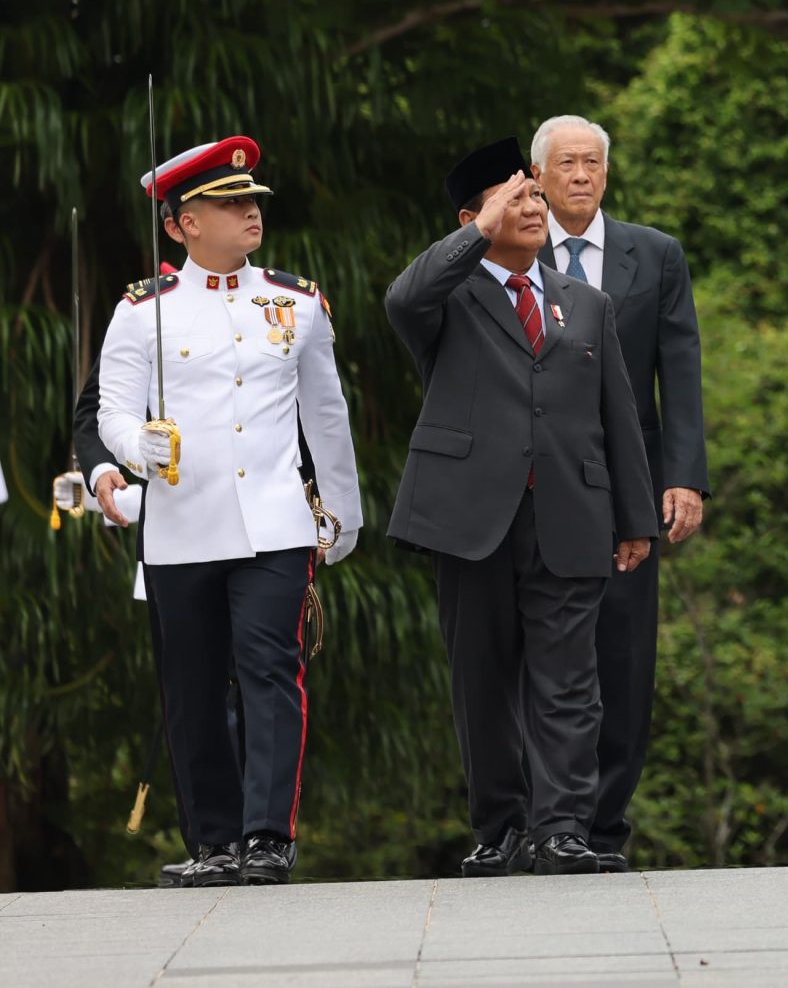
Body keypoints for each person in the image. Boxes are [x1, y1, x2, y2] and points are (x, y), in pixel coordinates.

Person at [384, 139, 657, 876]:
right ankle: (499, 826)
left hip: (570, 513)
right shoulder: (451, 297)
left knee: (570, 681)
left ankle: (563, 826)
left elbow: (618, 417)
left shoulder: (585, 304)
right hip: (471, 520)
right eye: (517, 200)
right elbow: (401, 299)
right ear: (475, 217)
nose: (535, 209)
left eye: (536, 198)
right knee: (482, 677)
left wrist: (635, 518)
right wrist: (478, 232)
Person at [95, 136, 362, 888]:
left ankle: (267, 837)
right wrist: (132, 445)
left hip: (276, 519)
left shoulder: (296, 300)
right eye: (229, 204)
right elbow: (113, 407)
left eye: (252, 201)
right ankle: (213, 841)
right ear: (182, 224)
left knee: (271, 671)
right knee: (192, 683)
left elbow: (327, 413)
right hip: (181, 522)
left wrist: (341, 512)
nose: (250, 213)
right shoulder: (143, 310)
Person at [529, 113, 709, 872]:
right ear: (537, 175)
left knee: (624, 657)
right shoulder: (510, 250)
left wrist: (684, 476)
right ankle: (540, 820)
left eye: (592, 163)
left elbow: (681, 367)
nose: (580, 175)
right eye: (566, 163)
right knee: (536, 653)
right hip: (536, 482)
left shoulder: (653, 253)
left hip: (626, 484)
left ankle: (602, 825)